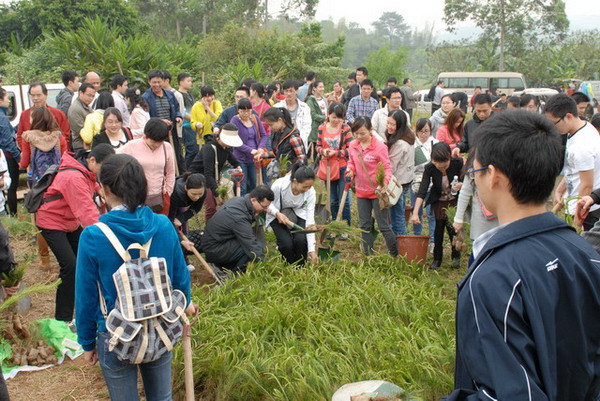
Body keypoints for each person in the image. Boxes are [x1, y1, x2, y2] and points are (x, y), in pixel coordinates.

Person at [445, 110, 600, 401]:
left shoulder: (492, 279)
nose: (475, 181)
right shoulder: (586, 254)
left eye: (475, 173)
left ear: (493, 176)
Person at [75, 153, 196, 401]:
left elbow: (86, 295)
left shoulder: (94, 236)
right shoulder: (163, 225)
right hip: (160, 325)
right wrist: (185, 304)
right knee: (162, 397)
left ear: (106, 189)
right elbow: (180, 277)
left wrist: (87, 341)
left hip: (115, 333)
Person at [37, 144, 115, 326]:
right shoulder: (73, 177)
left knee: (86, 260)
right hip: (51, 221)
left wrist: (101, 189)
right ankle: (63, 319)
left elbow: (92, 182)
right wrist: (107, 236)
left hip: (69, 220)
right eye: (103, 168)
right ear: (92, 160)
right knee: (70, 266)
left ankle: (90, 308)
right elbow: (87, 213)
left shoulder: (83, 168)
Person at [546, 93, 600, 230]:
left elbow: (587, 185)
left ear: (569, 116)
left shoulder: (583, 145)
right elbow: (573, 167)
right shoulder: (580, 129)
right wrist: (560, 190)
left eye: (554, 123)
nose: (553, 128)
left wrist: (578, 216)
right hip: (576, 205)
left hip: (587, 211)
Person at [346, 117, 398, 257]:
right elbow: (351, 162)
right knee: (364, 225)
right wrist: (350, 170)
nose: (359, 136)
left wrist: (384, 182)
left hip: (377, 192)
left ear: (370, 130)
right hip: (361, 191)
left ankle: (395, 255)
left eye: (362, 133)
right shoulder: (353, 145)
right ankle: (368, 255)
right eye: (356, 133)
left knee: (383, 225)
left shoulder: (380, 147)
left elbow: (387, 167)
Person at [411, 142, 463, 270]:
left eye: (444, 164)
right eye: (437, 163)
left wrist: (461, 185)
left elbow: (467, 180)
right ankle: (437, 259)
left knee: (453, 230)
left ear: (449, 157)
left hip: (454, 201)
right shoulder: (430, 168)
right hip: (439, 201)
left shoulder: (458, 163)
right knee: (438, 230)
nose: (440, 167)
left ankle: (456, 256)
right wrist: (415, 212)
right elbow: (422, 191)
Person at [202, 185, 274, 273]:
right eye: (264, 207)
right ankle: (234, 274)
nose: (266, 210)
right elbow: (250, 244)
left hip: (219, 241)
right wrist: (267, 266)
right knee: (253, 248)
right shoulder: (238, 216)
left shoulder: (240, 200)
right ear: (253, 200)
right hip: (214, 249)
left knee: (253, 245)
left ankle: (226, 266)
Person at [119, 118, 176, 216]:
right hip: (136, 198)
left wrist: (168, 192)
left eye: (160, 142)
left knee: (159, 223)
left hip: (159, 198)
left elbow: (170, 172)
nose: (156, 145)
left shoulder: (167, 147)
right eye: (153, 142)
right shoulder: (131, 146)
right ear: (145, 136)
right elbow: (116, 164)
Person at [452, 151, 499, 267]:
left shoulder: (502, 160)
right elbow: (465, 192)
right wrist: (458, 218)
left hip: (500, 216)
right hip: (481, 218)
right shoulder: (476, 160)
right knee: (478, 251)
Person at [266, 164, 318, 265]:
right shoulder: (279, 185)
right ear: (295, 181)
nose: (307, 189)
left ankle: (300, 267)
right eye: (305, 186)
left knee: (301, 241)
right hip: (278, 214)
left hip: (299, 214)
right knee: (286, 244)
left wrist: (312, 249)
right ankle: (289, 265)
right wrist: (277, 213)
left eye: (310, 186)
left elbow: (310, 218)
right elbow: (268, 204)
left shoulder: (311, 192)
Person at [189, 123, 242, 222]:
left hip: (213, 176)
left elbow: (233, 159)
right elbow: (208, 174)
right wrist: (216, 195)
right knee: (212, 207)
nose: (230, 144)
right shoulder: (209, 148)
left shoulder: (225, 148)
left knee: (222, 205)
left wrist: (238, 166)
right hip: (200, 178)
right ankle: (209, 228)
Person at [315, 102, 353, 226]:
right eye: (334, 117)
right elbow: (318, 146)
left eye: (339, 117)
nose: (336, 120)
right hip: (328, 167)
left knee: (343, 199)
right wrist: (323, 151)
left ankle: (346, 226)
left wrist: (336, 153)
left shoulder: (345, 128)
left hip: (342, 167)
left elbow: (351, 149)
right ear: (328, 115)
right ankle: (335, 224)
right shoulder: (322, 128)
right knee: (332, 200)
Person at [141, 70, 183, 173]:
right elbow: (145, 117)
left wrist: (178, 117)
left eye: (159, 82)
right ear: (149, 82)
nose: (157, 85)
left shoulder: (170, 94)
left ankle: (175, 176)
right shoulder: (145, 97)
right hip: (156, 133)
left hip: (171, 132)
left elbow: (176, 108)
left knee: (175, 155)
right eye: (154, 82)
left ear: (163, 81)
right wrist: (159, 121)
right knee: (160, 157)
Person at [386, 110, 415, 236]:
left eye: (393, 124)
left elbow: (391, 166)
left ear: (400, 124)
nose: (389, 126)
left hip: (397, 183)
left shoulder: (400, 143)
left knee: (397, 216)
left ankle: (400, 241)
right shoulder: (409, 135)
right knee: (400, 212)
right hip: (406, 179)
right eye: (388, 123)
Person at [230, 98, 268, 195]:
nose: (246, 114)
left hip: (254, 158)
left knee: (253, 184)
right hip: (240, 158)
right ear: (238, 111)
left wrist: (260, 148)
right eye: (243, 111)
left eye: (248, 111)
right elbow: (234, 141)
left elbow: (264, 135)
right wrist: (250, 150)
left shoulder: (255, 118)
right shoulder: (235, 120)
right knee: (241, 186)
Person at [17, 82, 70, 150]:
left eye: (39, 95)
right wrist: (26, 150)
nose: (35, 98)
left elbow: (65, 136)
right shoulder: (25, 114)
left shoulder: (58, 114)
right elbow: (20, 136)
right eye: (33, 95)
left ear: (46, 94)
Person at [19, 107, 68, 176]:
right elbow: (65, 160)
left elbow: (24, 163)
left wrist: (20, 163)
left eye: (31, 117)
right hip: (56, 176)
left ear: (34, 120)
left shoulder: (28, 137)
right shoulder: (58, 137)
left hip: (37, 178)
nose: (29, 119)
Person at [411, 118, 437, 248]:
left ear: (430, 130)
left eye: (426, 131)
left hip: (432, 181)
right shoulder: (412, 143)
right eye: (420, 131)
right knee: (416, 210)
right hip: (415, 180)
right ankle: (417, 237)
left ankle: (433, 240)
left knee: (431, 212)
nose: (423, 134)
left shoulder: (435, 143)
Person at [258, 107, 306, 175]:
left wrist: (292, 172)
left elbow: (302, 158)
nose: (270, 128)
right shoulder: (276, 133)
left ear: (280, 120)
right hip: (282, 172)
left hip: (292, 174)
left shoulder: (293, 137)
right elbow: (277, 153)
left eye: (271, 125)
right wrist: (262, 155)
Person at [168, 172, 207, 254]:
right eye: (194, 194)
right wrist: (181, 240)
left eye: (200, 194)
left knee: (184, 228)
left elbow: (196, 208)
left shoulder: (202, 190)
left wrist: (181, 218)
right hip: (170, 203)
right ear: (186, 188)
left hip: (182, 202)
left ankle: (184, 255)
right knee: (171, 231)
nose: (197, 197)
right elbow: (170, 220)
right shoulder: (175, 193)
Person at [0, 87, 21, 216]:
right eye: (7, 98)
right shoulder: (2, 117)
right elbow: (7, 141)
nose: (9, 101)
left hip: (4, 154)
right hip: (7, 156)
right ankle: (12, 214)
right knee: (11, 185)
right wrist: (18, 157)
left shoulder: (3, 116)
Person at [274, 80, 312, 148]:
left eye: (291, 91)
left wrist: (298, 140)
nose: (288, 93)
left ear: (297, 91)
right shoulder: (277, 107)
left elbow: (307, 127)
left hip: (300, 144)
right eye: (286, 91)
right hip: (282, 144)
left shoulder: (304, 107)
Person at [174, 73, 196, 168]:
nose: (190, 83)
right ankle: (187, 170)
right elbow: (182, 112)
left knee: (196, 150)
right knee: (192, 150)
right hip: (186, 126)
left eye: (191, 81)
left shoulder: (190, 95)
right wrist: (196, 119)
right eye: (188, 81)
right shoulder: (178, 95)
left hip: (194, 126)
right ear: (181, 82)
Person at [68, 83, 96, 151]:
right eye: (89, 95)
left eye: (93, 96)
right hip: (81, 146)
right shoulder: (75, 108)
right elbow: (80, 131)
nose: (91, 98)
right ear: (80, 93)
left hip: (90, 144)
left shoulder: (87, 106)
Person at [304, 80, 328, 159]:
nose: (322, 89)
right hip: (314, 128)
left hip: (324, 126)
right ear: (314, 88)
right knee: (314, 147)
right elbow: (313, 115)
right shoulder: (310, 100)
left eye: (323, 87)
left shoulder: (324, 99)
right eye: (320, 87)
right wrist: (325, 118)